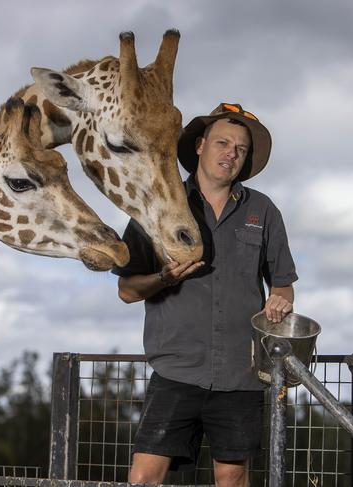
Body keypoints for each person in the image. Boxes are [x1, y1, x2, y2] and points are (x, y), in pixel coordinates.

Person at [113, 103, 298, 487]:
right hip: (176, 370)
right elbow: (127, 290)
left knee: (232, 479)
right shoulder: (158, 207)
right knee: (145, 477)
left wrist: (281, 299)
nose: (230, 152)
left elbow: (283, 283)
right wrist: (163, 278)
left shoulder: (263, 211)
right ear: (200, 146)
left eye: (240, 149)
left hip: (241, 374)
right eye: (222, 142)